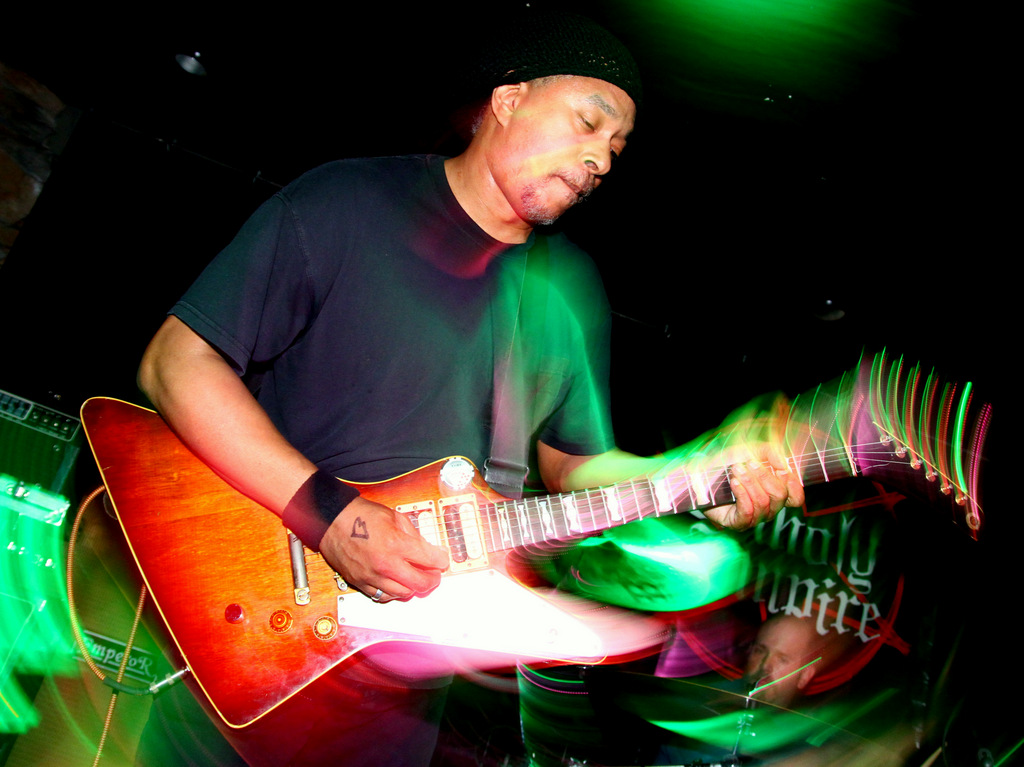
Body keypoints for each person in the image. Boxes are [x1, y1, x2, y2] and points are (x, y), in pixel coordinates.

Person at [135, 11, 804, 766]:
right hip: (247, 636)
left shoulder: (568, 290)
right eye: (589, 123)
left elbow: (577, 468)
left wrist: (694, 476)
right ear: (508, 99)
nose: (602, 161)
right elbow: (175, 362)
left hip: (395, 704)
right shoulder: (348, 202)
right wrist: (331, 517)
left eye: (616, 148)